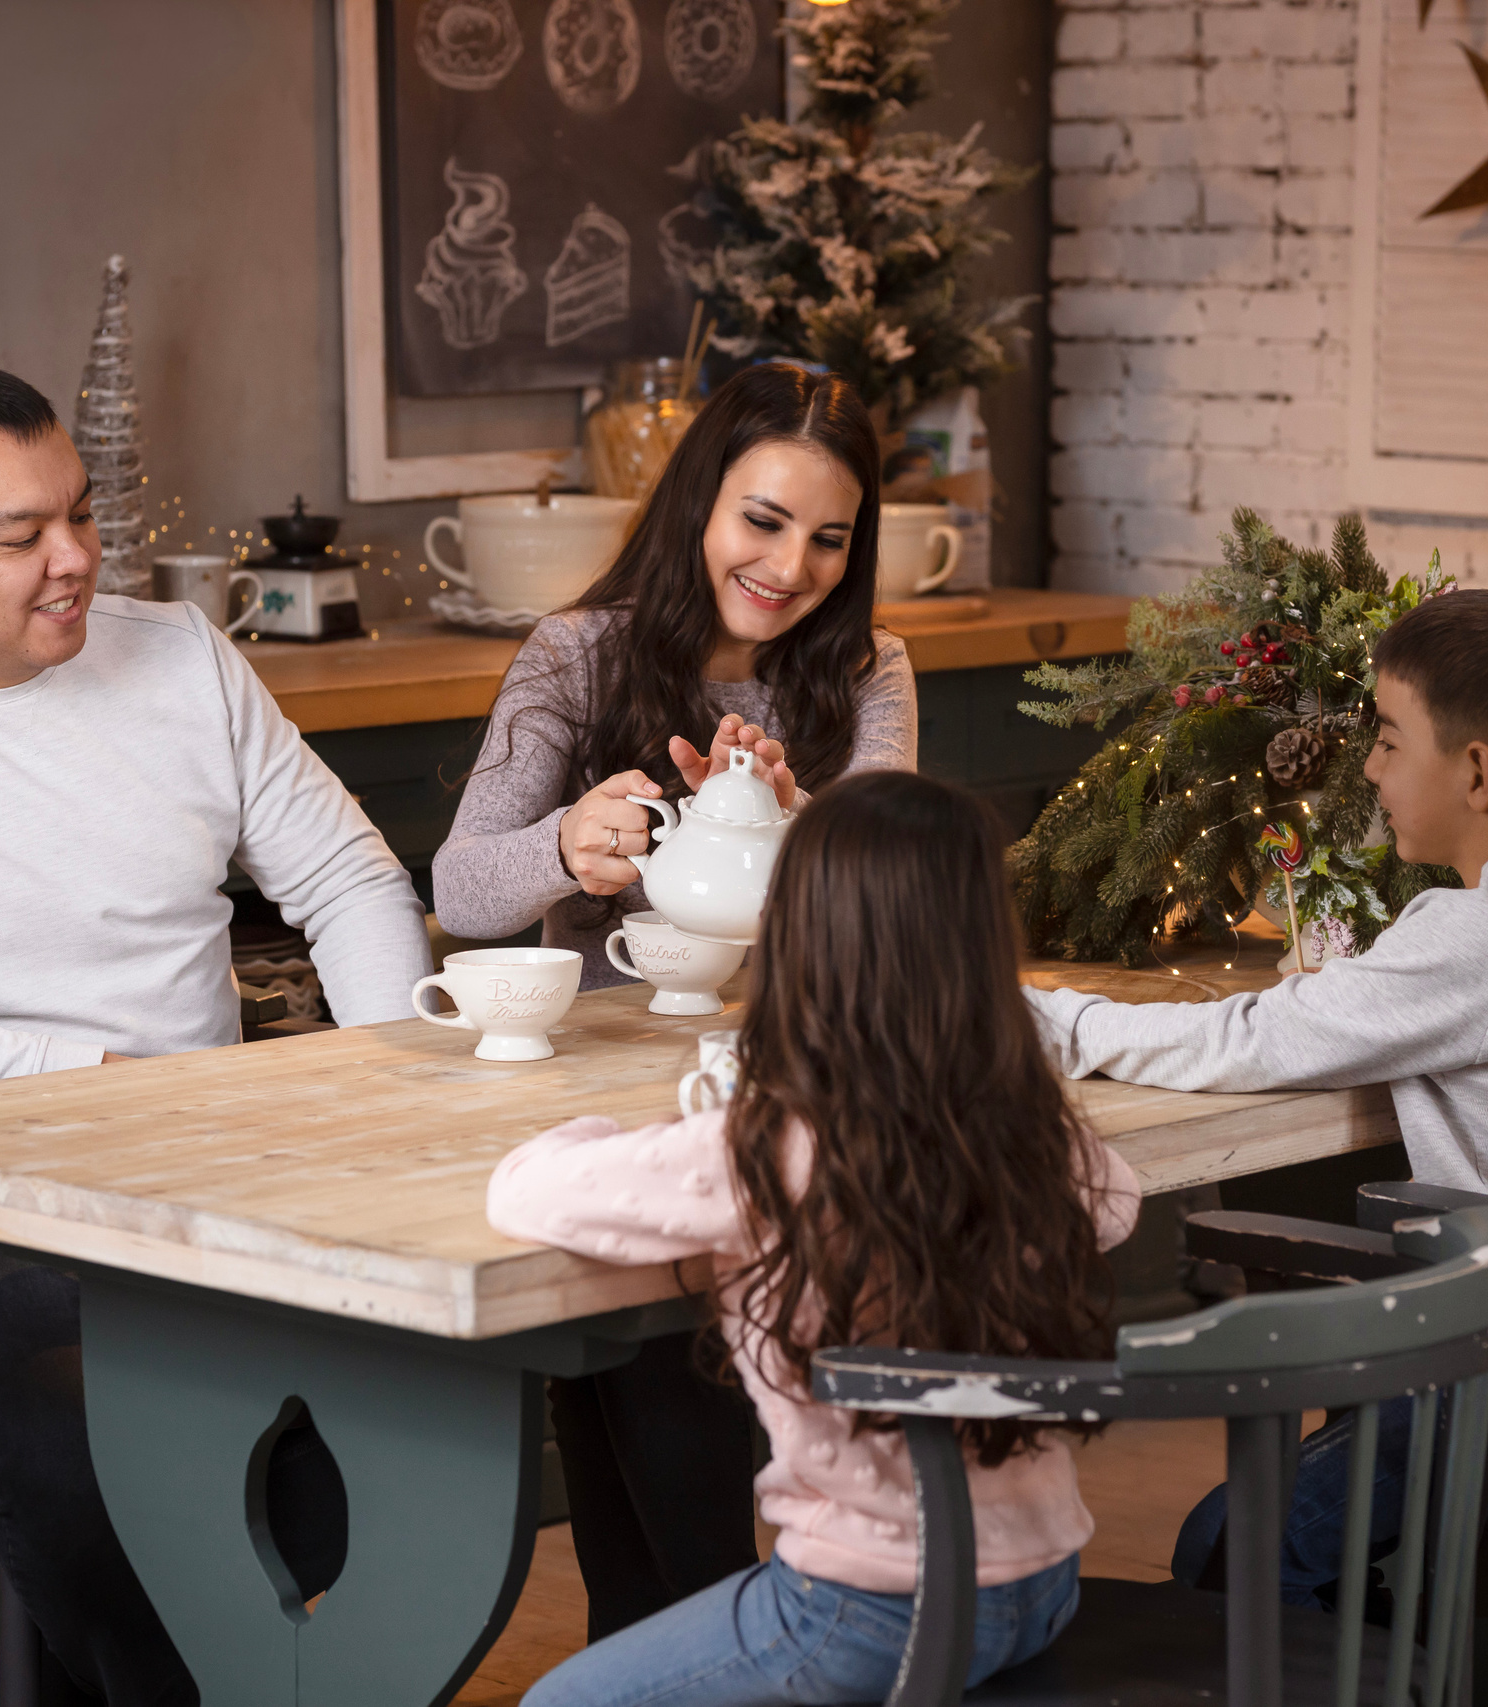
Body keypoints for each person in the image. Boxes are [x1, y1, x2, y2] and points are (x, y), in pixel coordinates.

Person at [0, 362, 428, 1704]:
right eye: (20, 535)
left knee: (415, 1400)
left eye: (81, 513)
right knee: (87, 1434)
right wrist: (93, 1076)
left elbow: (348, 879)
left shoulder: (181, 655)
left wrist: (396, 1092)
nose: (75, 560)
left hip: (224, 1172)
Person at [1022, 587, 1488, 1607]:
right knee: (1290, 1529)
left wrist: (1050, 1018)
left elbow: (1250, 1039)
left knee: (1228, 1545)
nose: (1369, 768)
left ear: (1475, 771)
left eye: (1386, 740)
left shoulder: (1476, 943)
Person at [434, 361, 919, 1640]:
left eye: (828, 539)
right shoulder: (577, 656)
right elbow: (462, 890)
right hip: (603, 1111)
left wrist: (805, 827)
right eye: (762, 520)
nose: (789, 567)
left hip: (774, 1109)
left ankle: (704, 1653)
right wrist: (565, 844)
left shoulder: (867, 671)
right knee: (625, 1455)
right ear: (699, 500)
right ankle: (668, 1656)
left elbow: (895, 920)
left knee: (678, 1433)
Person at [488, 772, 1141, 1707]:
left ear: (802, 942)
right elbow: (1114, 1205)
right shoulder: (1032, 1127)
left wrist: (607, 1129)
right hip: (1042, 1585)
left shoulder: (767, 1145)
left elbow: (527, 1190)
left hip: (864, 1607)